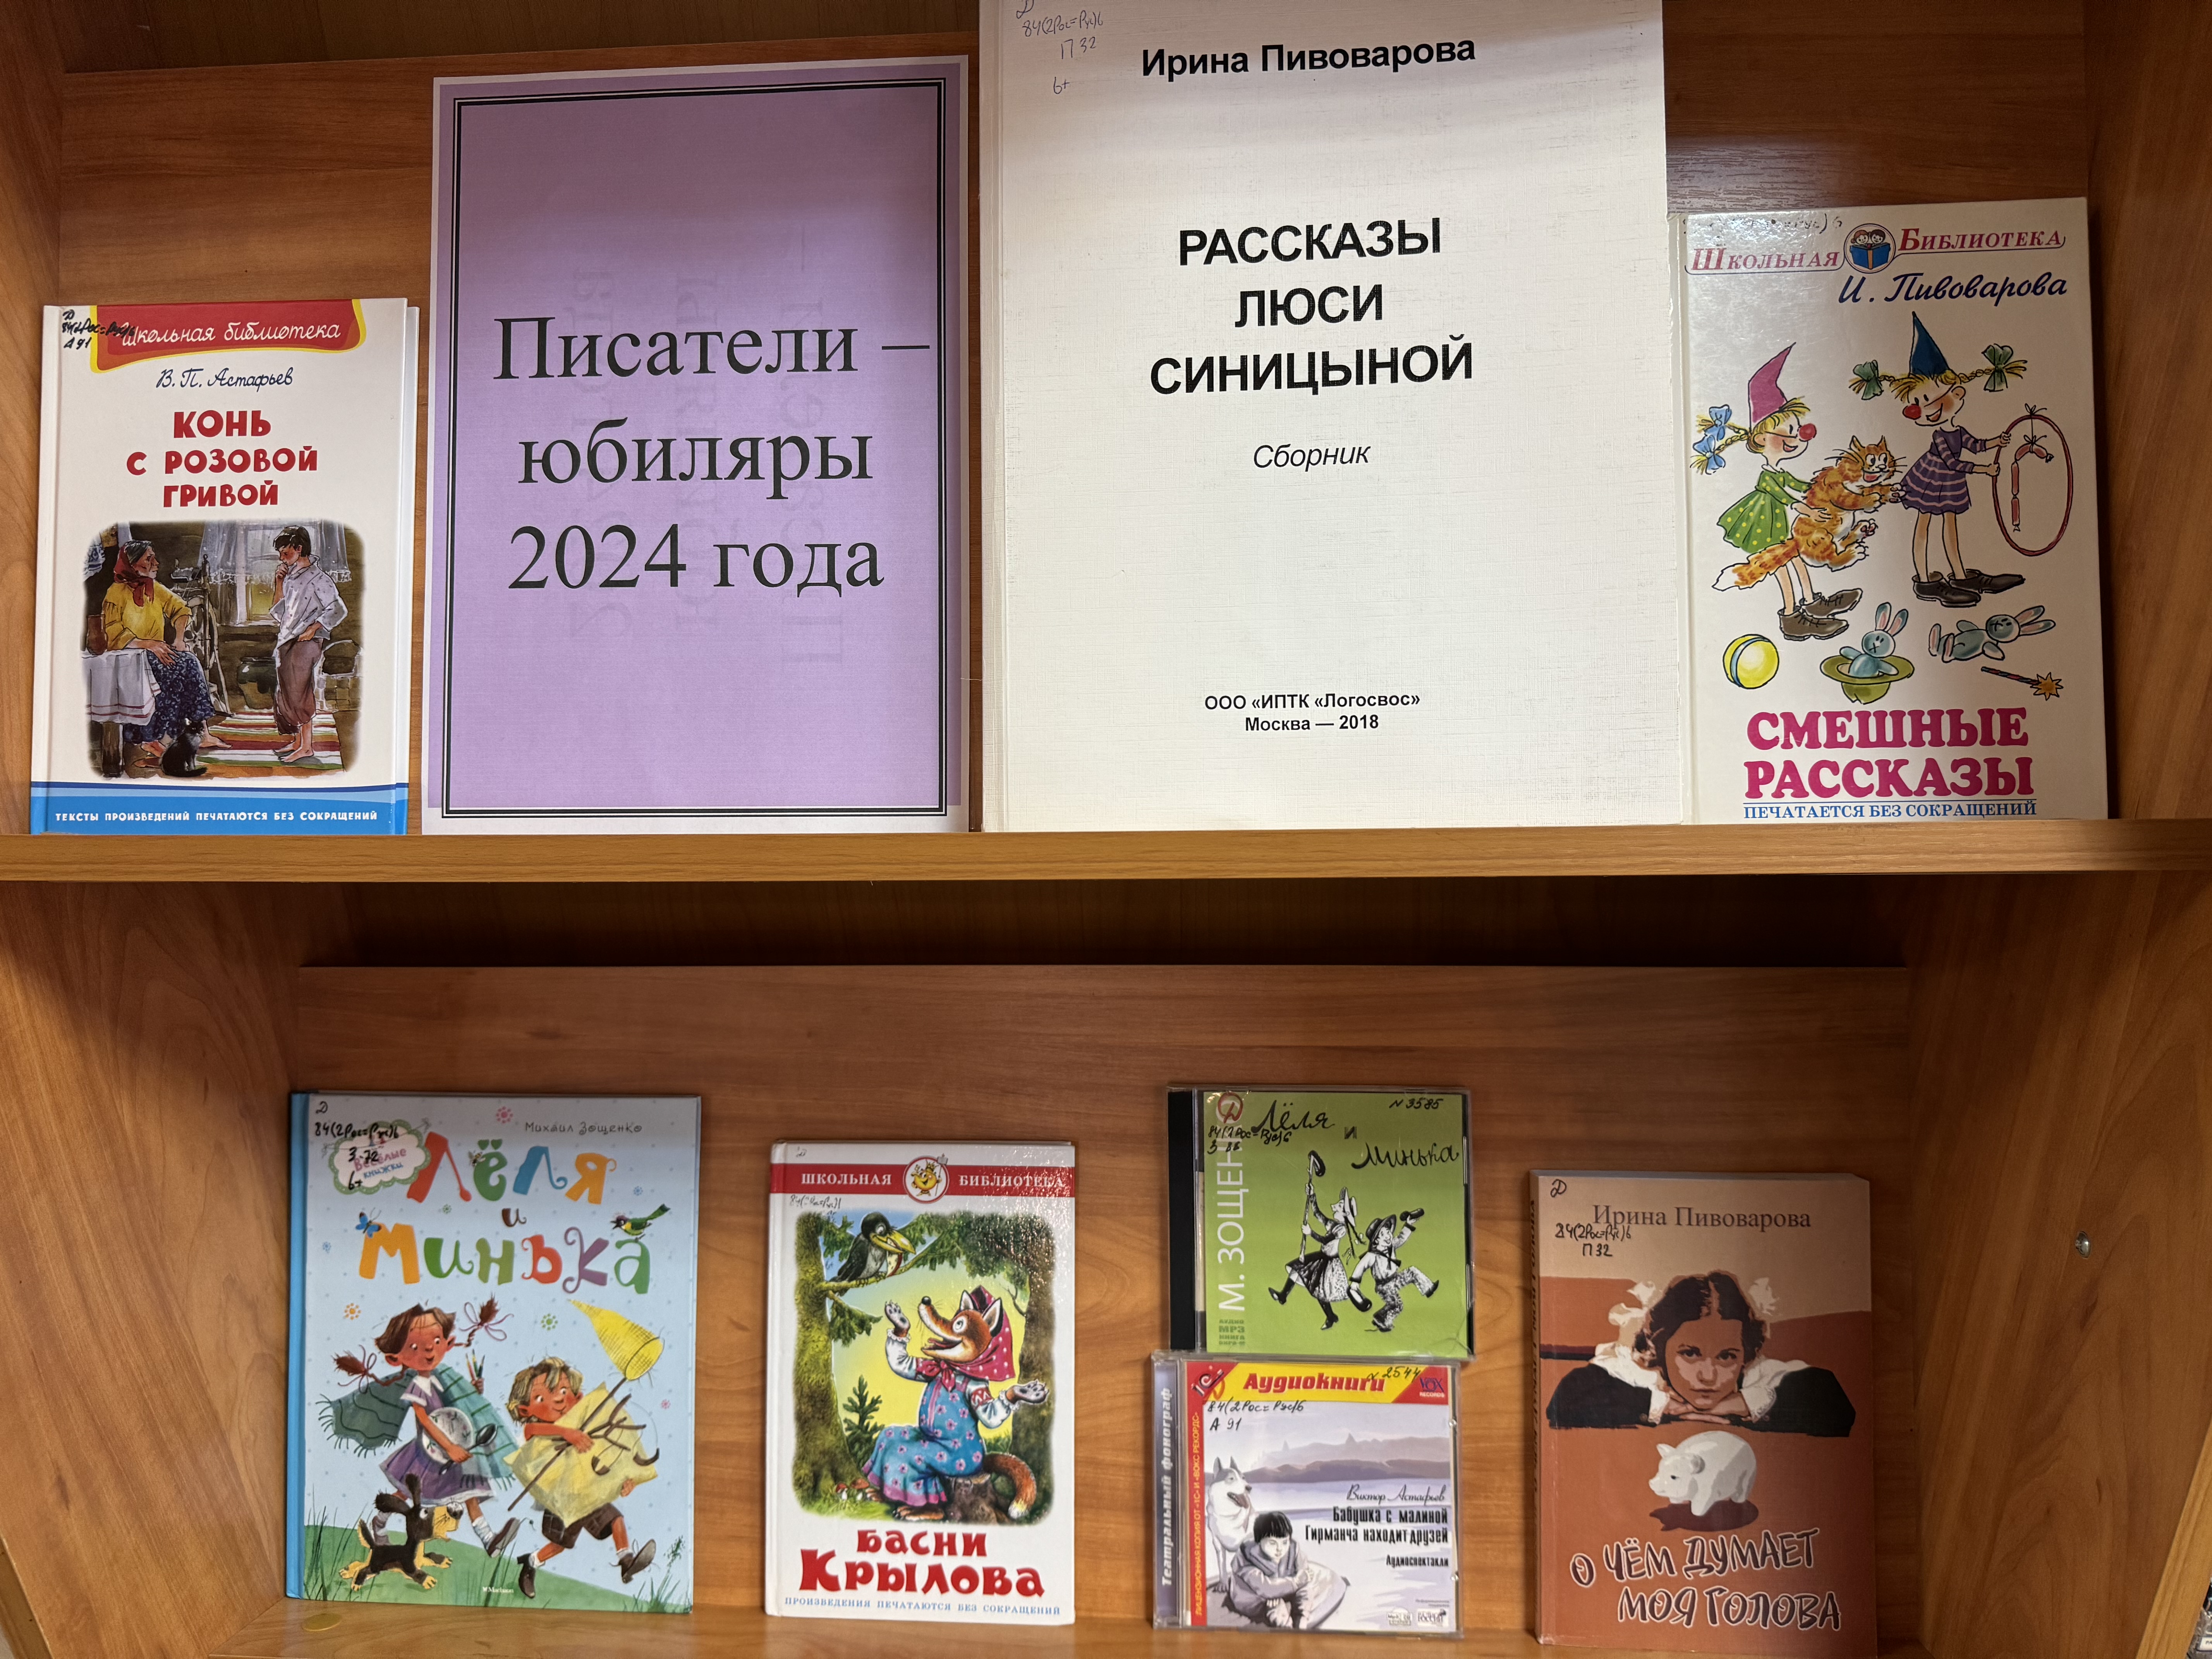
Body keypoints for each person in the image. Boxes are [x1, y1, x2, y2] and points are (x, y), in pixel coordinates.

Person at [1545, 1270, 1855, 1436]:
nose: (1709, 1376)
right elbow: (1567, 1400)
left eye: (1727, 1357)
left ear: (1745, 1355)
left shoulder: (1757, 1375)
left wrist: (1740, 1404)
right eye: (1690, 1354)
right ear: (1659, 1347)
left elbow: (1836, 1406)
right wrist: (1666, 1406)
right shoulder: (1640, 1370)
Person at [1695, 346, 1862, 642]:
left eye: (1797, 430)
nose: (1798, 437)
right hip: (1764, 526)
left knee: (1794, 559)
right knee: (1781, 564)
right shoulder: (1767, 477)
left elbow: (1797, 485)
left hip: (1778, 525)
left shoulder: (1779, 471)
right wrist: (1809, 510)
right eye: (1789, 431)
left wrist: (1821, 487)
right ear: (1762, 438)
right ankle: (1792, 617)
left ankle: (1813, 602)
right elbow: (1786, 497)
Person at [1861, 313, 2025, 610]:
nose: (1922, 410)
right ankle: (1925, 581)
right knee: (1924, 523)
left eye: (1928, 400)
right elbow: (1952, 463)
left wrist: (1996, 443)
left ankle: (1961, 576)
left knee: (1951, 525)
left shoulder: (1957, 431)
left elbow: (1974, 445)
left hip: (1950, 484)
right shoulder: (1939, 436)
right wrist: (1984, 470)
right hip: (1931, 479)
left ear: (1958, 394)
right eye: (1918, 403)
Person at [371, 1306, 520, 1559]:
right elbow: (425, 1419)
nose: (429, 1350)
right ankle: (380, 1523)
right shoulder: (418, 1385)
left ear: (447, 1344)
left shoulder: (442, 1380)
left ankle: (488, 1539)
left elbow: (453, 1409)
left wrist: (472, 1391)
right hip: (428, 1452)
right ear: (396, 1359)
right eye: (415, 1347)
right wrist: (449, 1447)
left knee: (471, 1490)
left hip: (451, 1447)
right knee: (405, 1494)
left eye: (436, 1341)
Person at [504, 1357, 655, 1597]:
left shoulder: (586, 1431)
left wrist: (627, 1482)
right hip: (560, 1499)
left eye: (564, 1391)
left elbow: (608, 1460)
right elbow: (532, 1430)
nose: (558, 1399)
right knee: (560, 1544)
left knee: (616, 1519)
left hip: (588, 1493)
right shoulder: (538, 1431)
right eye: (543, 1398)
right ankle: (531, 1562)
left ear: (578, 1398)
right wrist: (567, 1433)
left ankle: (626, 1561)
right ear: (525, 1410)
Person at [101, 539, 220, 776]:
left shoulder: (153, 587)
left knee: (189, 663)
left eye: (154, 557)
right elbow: (112, 633)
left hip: (155, 652)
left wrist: (179, 639)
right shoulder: (115, 593)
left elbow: (181, 608)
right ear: (133, 564)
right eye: (149, 559)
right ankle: (152, 738)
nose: (156, 563)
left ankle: (200, 733)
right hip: (129, 657)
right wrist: (149, 644)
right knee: (176, 672)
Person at [268, 525, 345, 764]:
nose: (282, 558)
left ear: (299, 549)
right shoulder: (291, 577)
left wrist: (312, 629)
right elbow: (280, 612)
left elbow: (338, 609)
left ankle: (307, 747)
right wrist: (279, 582)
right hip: (288, 638)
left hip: (307, 641)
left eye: (286, 552)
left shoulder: (319, 579)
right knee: (287, 690)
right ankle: (298, 742)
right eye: (280, 553)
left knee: (299, 690)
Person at [1224, 1511, 1339, 1629]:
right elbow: (1265, 1588)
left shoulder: (1293, 1548)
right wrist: (1296, 1582)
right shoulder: (1246, 1557)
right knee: (1276, 1605)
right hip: (1253, 1598)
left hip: (1282, 1589)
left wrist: (1300, 1579)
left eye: (1285, 1542)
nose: (1280, 1549)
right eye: (1273, 1543)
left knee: (1306, 1589)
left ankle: (1301, 1620)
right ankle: (1287, 1629)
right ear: (1259, 1541)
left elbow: (1303, 1571)